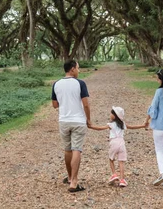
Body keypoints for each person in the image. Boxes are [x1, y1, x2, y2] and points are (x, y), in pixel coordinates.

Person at [51, 60, 91, 193]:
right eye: (78, 68)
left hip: (63, 121)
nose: (79, 71)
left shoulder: (56, 84)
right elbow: (85, 104)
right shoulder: (80, 83)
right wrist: (89, 120)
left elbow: (55, 105)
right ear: (72, 69)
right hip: (78, 121)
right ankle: (74, 182)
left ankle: (69, 177)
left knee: (67, 150)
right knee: (76, 150)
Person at [88, 106, 148, 188]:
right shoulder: (122, 124)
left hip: (113, 143)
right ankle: (122, 180)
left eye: (111, 113)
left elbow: (100, 128)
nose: (110, 115)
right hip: (122, 143)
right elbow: (133, 127)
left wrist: (91, 126)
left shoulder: (111, 125)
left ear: (114, 115)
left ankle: (114, 174)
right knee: (121, 162)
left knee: (111, 159)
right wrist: (142, 126)